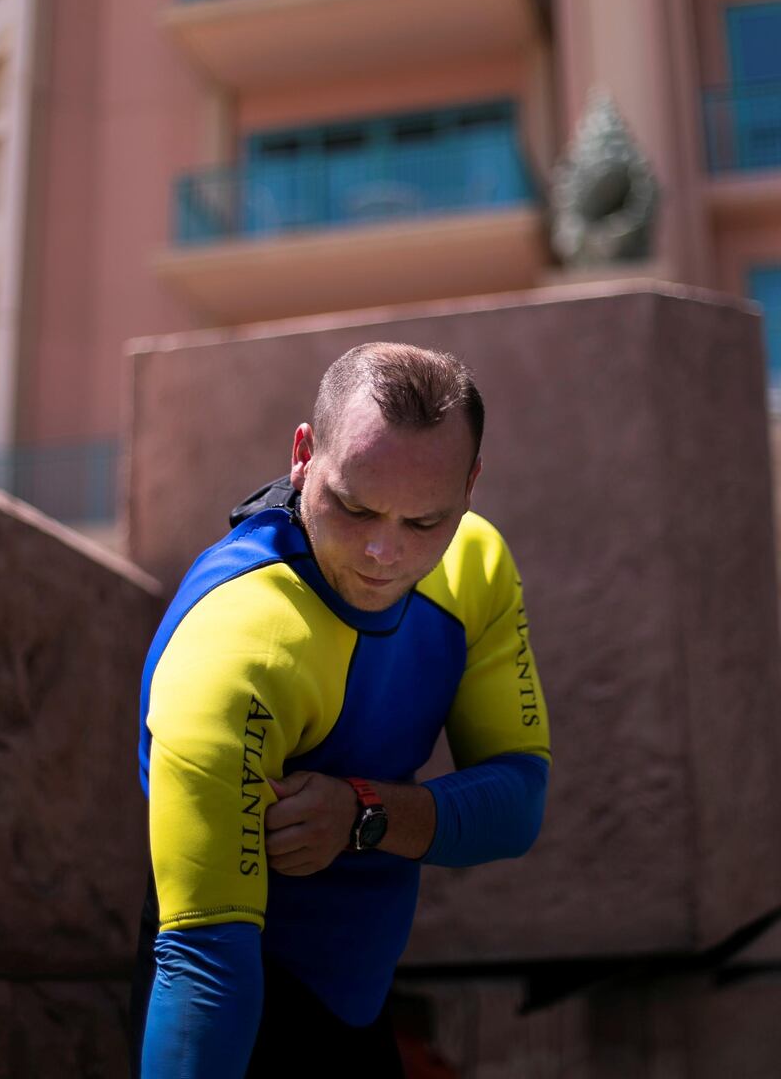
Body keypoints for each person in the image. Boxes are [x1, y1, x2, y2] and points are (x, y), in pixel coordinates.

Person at [131, 341, 551, 1077]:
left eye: (425, 522)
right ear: (303, 454)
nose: (384, 552)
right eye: (355, 508)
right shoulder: (234, 647)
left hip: (359, 1001)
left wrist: (364, 816)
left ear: (471, 485)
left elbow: (519, 802)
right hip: (229, 999)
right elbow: (204, 962)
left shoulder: (475, 564)